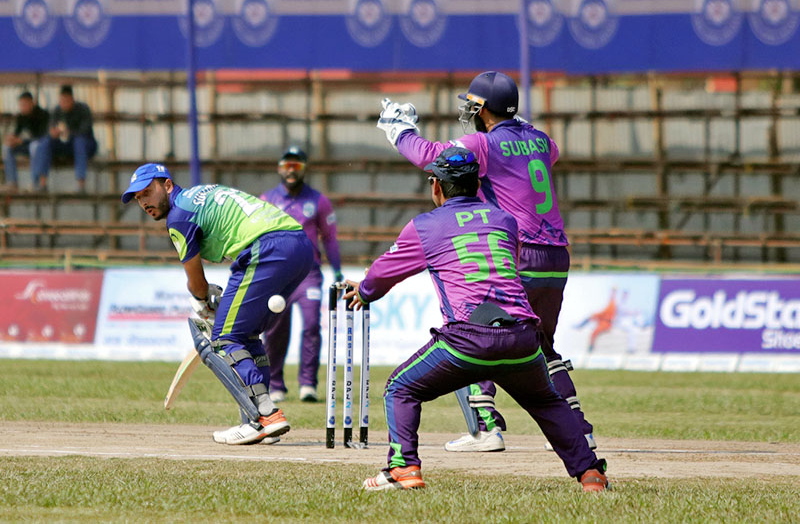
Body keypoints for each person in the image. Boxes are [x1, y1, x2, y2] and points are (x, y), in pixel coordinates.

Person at [342, 147, 608, 492]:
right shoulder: (505, 220)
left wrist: (364, 292)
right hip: (523, 337)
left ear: (436, 186)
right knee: (547, 402)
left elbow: (381, 275)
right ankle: (591, 474)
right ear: (477, 184)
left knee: (400, 388)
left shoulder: (425, 226)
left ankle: (403, 468)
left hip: (468, 340)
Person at [377, 71, 595, 452]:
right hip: (556, 255)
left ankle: (485, 428)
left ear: (483, 108)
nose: (468, 113)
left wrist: (401, 132)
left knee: (475, 331)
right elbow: (551, 152)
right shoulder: (542, 140)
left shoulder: (484, 143)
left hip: (516, 251)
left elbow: (433, 157)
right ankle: (578, 429)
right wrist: (513, 125)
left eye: (472, 106)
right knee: (542, 345)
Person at [121, 163, 314, 445]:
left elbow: (196, 282)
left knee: (225, 338)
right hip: (299, 245)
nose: (144, 202)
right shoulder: (199, 194)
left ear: (168, 185)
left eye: (148, 192)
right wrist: (209, 297)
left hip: (265, 247)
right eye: (138, 198)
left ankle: (265, 415)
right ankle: (258, 423)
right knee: (247, 335)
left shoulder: (178, 217)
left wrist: (202, 301)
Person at [260, 146, 343, 403]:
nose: (291, 171)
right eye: (287, 166)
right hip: (277, 275)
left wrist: (337, 270)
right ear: (279, 168)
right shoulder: (267, 199)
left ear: (304, 169)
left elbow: (329, 238)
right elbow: (257, 236)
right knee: (274, 330)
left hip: (308, 274)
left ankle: (308, 384)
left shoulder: (318, 200)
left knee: (311, 325)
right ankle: (275, 384)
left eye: (296, 166)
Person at [50, 85, 98, 193]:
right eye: (62, 101)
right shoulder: (57, 111)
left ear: (72, 99)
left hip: (87, 145)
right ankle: (41, 182)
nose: (64, 103)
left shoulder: (82, 109)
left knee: (79, 142)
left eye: (66, 100)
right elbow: (51, 128)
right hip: (66, 145)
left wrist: (69, 132)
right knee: (44, 143)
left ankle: (81, 184)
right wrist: (54, 132)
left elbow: (85, 130)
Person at [2, 91, 50, 192]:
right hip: (26, 145)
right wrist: (11, 139)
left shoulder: (43, 115)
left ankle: (35, 183)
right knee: (6, 147)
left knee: (34, 146)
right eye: (20, 105)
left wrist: (22, 141)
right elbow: (17, 133)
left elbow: (42, 136)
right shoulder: (21, 116)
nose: (22, 107)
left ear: (31, 103)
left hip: (40, 146)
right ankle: (12, 182)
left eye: (24, 104)